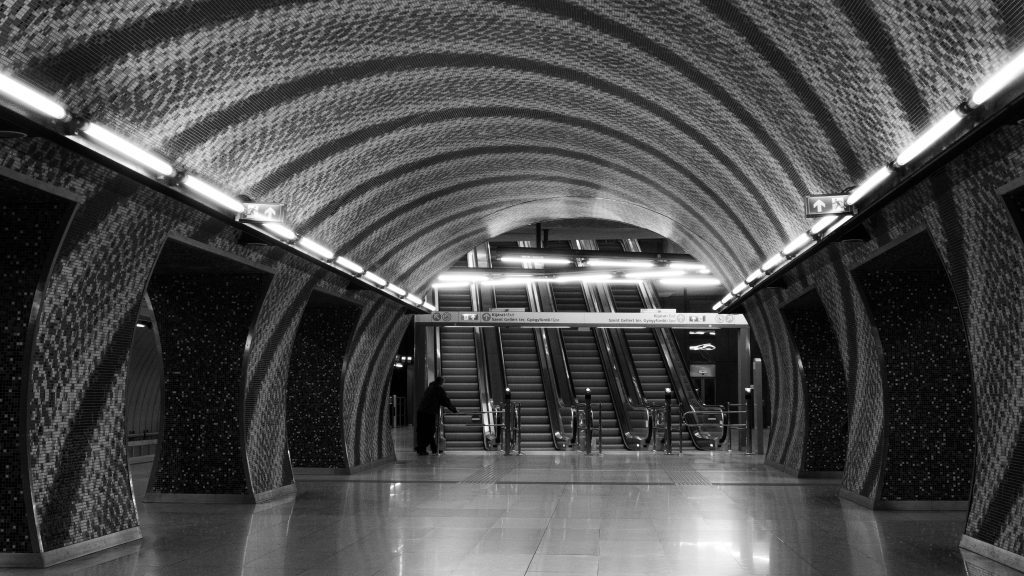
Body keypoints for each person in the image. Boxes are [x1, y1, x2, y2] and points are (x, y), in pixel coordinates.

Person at [415, 376, 457, 455]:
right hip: (429, 412)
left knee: (422, 430)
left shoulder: (430, 387)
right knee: (430, 431)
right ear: (441, 382)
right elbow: (445, 400)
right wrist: (453, 409)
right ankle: (422, 449)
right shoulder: (438, 389)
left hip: (421, 411)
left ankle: (432, 448)